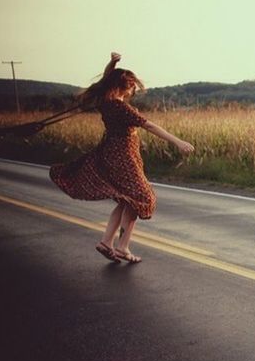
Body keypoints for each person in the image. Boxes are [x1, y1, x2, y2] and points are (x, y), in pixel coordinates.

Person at [49, 52, 195, 264]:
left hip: (112, 153)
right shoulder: (120, 107)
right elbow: (149, 125)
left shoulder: (105, 101)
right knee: (142, 198)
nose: (135, 89)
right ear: (124, 86)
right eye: (132, 85)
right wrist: (177, 142)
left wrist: (112, 63)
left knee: (128, 199)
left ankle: (108, 242)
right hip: (123, 156)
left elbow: (104, 82)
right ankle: (122, 247)